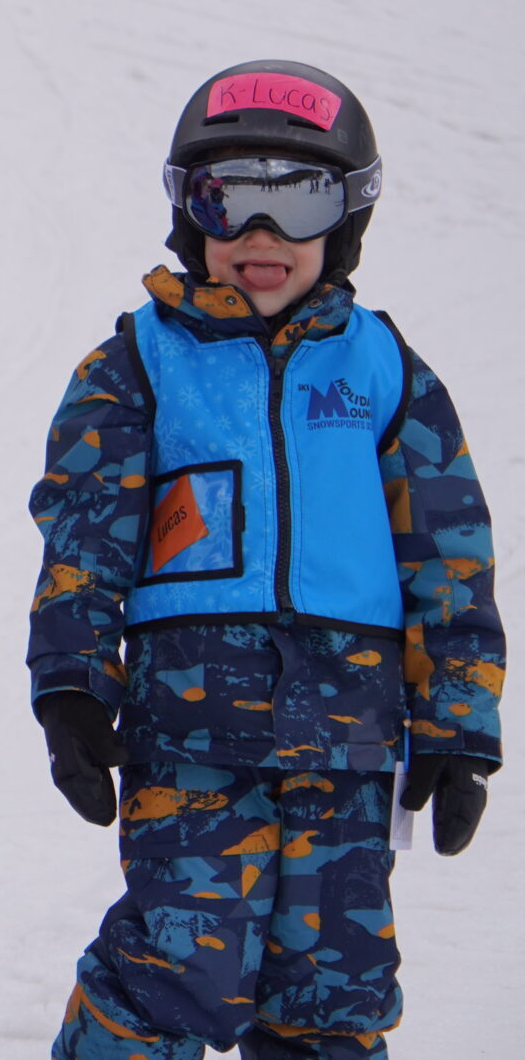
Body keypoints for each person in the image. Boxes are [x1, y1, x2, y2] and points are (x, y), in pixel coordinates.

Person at [27, 60, 502, 1060]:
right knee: (173, 965)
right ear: (187, 210)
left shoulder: (384, 368)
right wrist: (72, 688)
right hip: (190, 730)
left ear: (346, 218)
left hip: (349, 737)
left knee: (333, 987)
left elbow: (447, 550)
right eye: (228, 198)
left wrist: (456, 721)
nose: (261, 235)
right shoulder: (137, 364)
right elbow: (83, 539)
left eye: (300, 200)